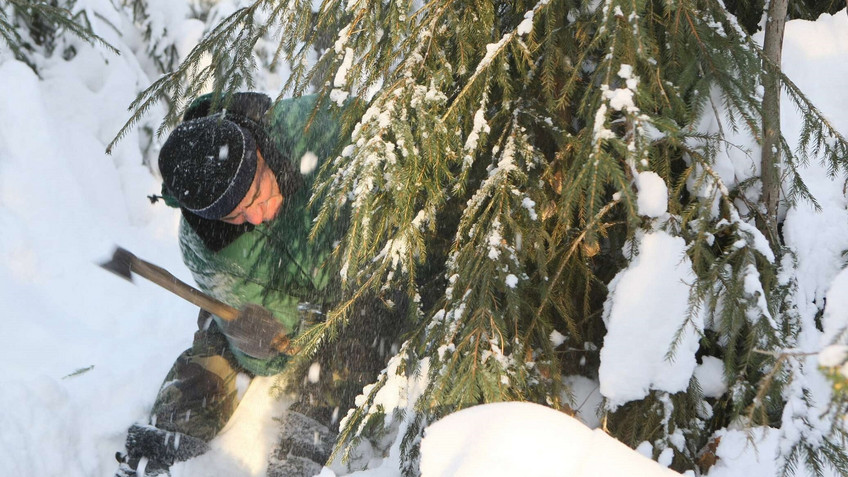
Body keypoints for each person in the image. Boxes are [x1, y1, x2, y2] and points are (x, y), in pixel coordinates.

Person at [115, 92, 399, 477]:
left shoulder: (312, 126)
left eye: (257, 191)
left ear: (259, 155)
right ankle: (158, 451)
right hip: (297, 307)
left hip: (372, 268)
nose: (260, 213)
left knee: (353, 348)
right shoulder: (206, 248)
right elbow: (285, 341)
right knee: (222, 349)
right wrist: (257, 341)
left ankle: (301, 453)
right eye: (237, 214)